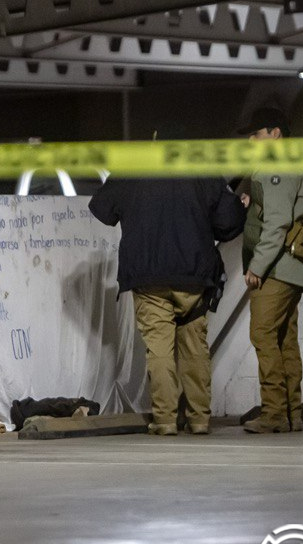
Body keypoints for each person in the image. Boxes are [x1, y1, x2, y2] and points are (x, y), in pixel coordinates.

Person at [89, 175, 246, 435]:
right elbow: (229, 223)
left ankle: (165, 420)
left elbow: (101, 208)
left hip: (148, 276)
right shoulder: (202, 170)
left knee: (159, 350)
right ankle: (198, 419)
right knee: (195, 349)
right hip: (194, 275)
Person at [239, 107, 303, 434]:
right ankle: (290, 412)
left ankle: (273, 413)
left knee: (262, 333)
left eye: (256, 134)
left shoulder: (277, 167)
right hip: (291, 267)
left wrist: (256, 266)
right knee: (285, 339)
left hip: (278, 267)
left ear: (275, 134)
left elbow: (277, 223)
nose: (251, 140)